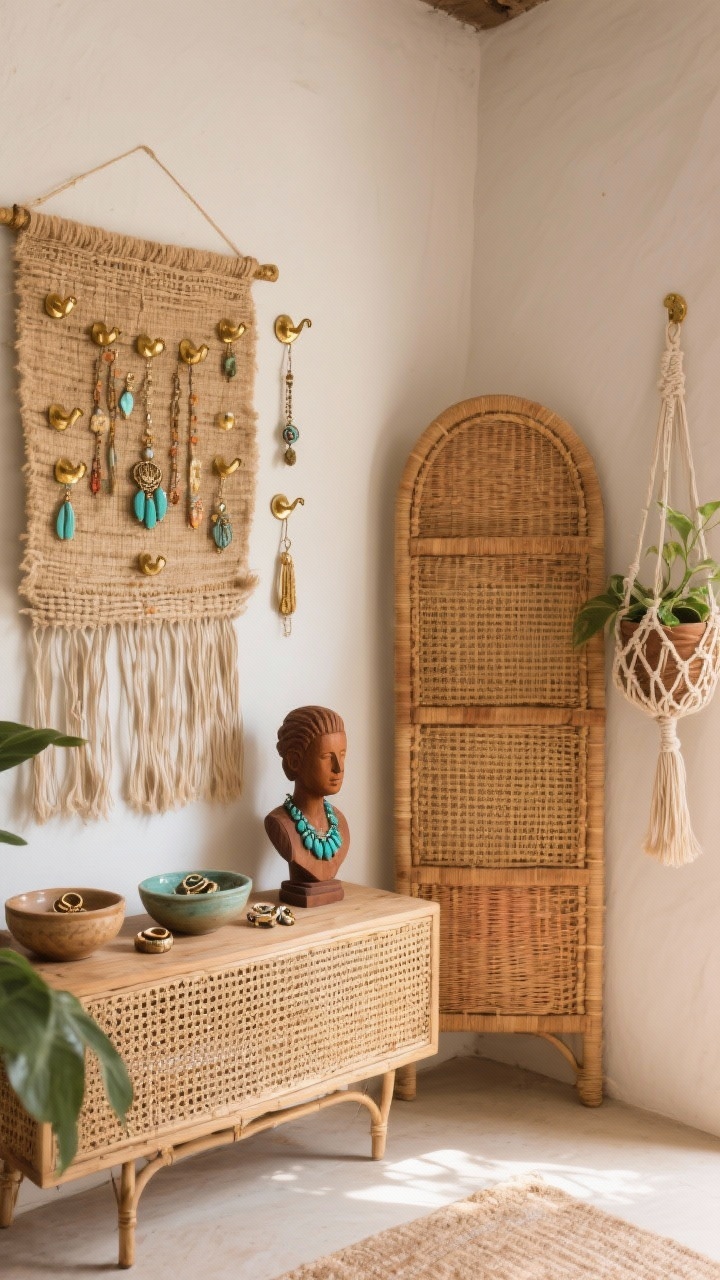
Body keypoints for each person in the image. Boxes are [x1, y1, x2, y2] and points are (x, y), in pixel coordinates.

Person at [264, 706, 349, 906]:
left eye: (343, 755)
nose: (339, 767)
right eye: (327, 757)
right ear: (295, 761)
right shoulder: (280, 824)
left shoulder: (340, 823)